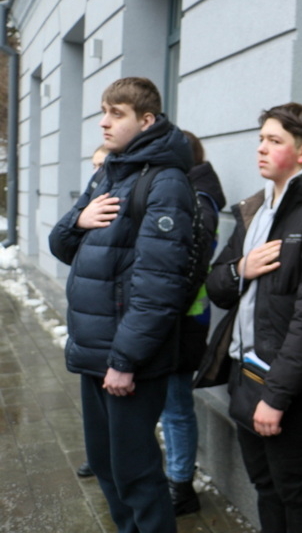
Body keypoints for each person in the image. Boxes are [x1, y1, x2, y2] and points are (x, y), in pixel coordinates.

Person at [49, 77, 194, 533]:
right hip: (95, 350)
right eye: (103, 112)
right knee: (105, 465)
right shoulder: (110, 172)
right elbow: (61, 244)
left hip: (126, 358)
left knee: (135, 473)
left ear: (146, 120)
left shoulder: (165, 182)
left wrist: (125, 360)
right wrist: (80, 219)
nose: (104, 123)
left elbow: (160, 286)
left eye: (117, 114)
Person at [204, 103, 302, 532]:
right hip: (244, 375)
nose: (261, 148)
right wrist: (240, 268)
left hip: (290, 390)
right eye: (261, 138)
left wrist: (277, 397)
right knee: (265, 485)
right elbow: (216, 286)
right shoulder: (255, 210)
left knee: (298, 491)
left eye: (274, 140)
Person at [160, 130, 226, 515]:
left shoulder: (198, 198)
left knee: (176, 407)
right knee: (171, 406)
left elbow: (190, 263)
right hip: (177, 318)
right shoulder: (192, 191)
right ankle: (175, 479)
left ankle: (181, 487)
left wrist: (160, 311)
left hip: (182, 321)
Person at [75, 143, 114, 481]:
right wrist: (79, 219)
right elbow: (61, 242)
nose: (97, 173)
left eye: (103, 164)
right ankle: (99, 457)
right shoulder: (95, 196)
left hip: (116, 336)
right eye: (94, 166)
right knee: (97, 418)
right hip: (92, 333)